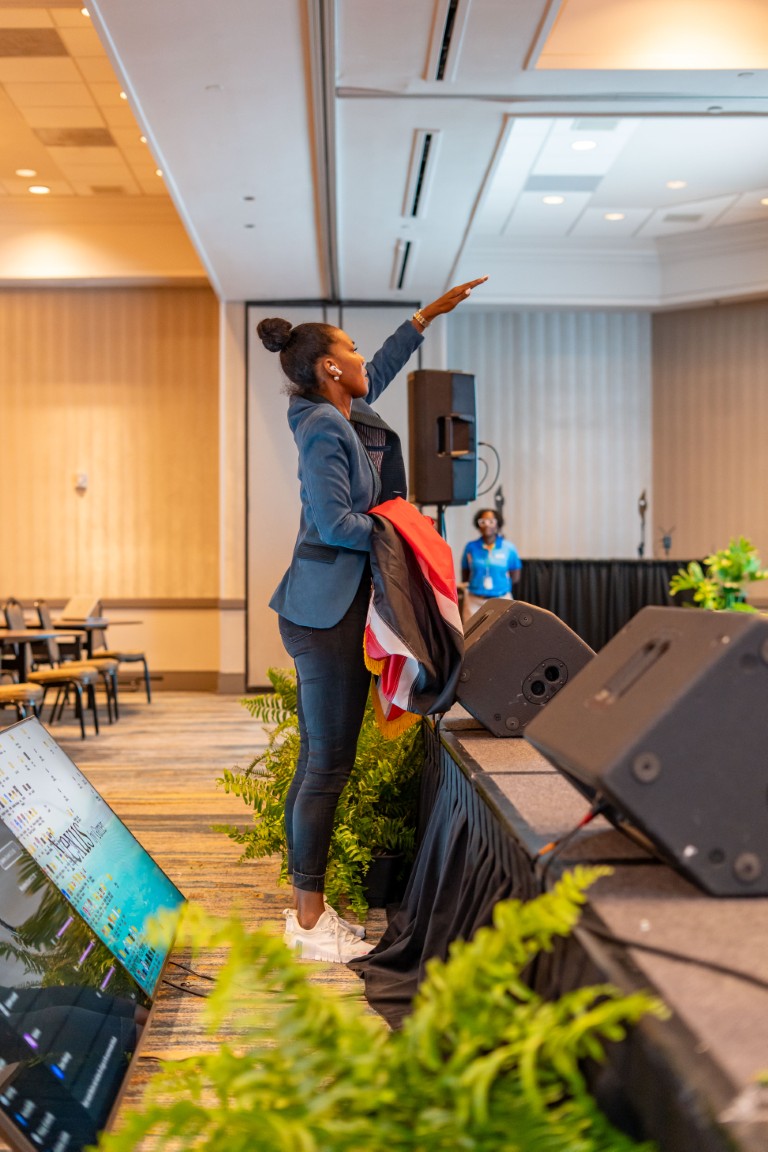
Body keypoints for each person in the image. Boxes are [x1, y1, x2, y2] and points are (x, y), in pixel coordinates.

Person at [257, 275, 487, 964]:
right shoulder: (324, 426)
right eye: (351, 349)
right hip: (325, 613)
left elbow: (376, 371)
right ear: (331, 368)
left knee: (319, 763)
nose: (361, 359)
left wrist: (423, 319)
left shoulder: (335, 410)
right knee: (326, 766)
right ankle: (307, 923)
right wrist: (402, 532)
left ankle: (308, 911)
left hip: (326, 608)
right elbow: (334, 524)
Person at [460, 507, 522, 622]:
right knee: (470, 631)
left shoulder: (508, 548)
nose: (487, 525)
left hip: (501, 599)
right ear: (478, 525)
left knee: (503, 630)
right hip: (474, 600)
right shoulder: (471, 547)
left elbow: (515, 576)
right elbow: (465, 573)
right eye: (483, 522)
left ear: (498, 524)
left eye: (491, 521)